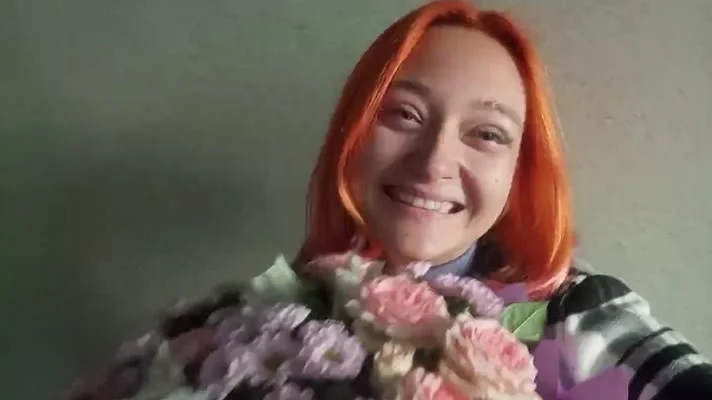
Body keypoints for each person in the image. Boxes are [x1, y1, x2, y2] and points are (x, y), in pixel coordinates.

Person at [65, 1, 712, 399]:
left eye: (487, 134)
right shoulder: (256, 323)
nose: (434, 162)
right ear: (351, 133)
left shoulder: (572, 311)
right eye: (403, 115)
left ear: (520, 171)